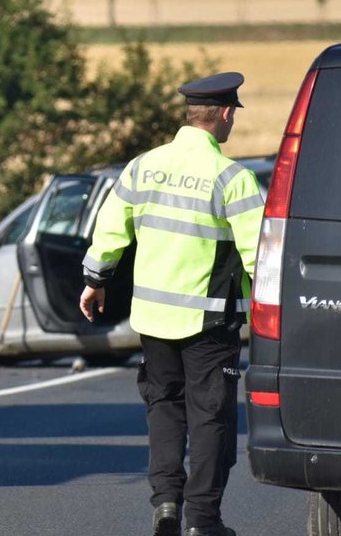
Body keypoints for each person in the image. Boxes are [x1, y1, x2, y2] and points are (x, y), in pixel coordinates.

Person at [78, 72, 263, 536]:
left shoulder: (142, 166)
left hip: (153, 319)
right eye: (232, 116)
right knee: (211, 419)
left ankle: (165, 506)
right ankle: (202, 519)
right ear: (224, 114)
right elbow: (259, 254)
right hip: (209, 321)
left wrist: (95, 279)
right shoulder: (233, 178)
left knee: (163, 411)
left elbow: (111, 225)